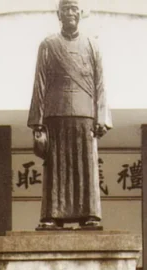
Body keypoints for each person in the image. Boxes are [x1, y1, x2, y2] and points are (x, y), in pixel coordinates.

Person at [28, 0, 112, 229]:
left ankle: (89, 214)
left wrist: (102, 117)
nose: (70, 13)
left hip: (85, 115)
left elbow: (100, 84)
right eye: (66, 9)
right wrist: (37, 123)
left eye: (74, 9)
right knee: (56, 166)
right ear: (58, 14)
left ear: (81, 13)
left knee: (86, 165)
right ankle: (53, 215)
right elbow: (40, 83)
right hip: (55, 114)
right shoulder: (48, 44)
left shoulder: (92, 45)